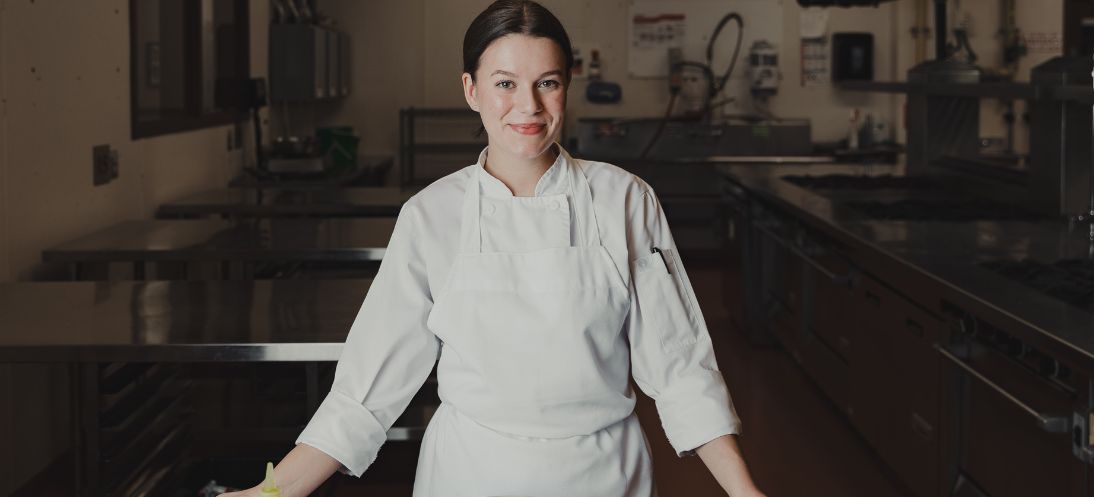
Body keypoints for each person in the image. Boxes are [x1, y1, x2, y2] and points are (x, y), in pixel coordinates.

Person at [222, 1, 763, 495]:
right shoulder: (432, 215)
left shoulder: (624, 200)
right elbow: (368, 388)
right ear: (471, 89)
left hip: (604, 475)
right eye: (505, 83)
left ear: (567, 85)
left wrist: (745, 492)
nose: (527, 106)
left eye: (546, 82)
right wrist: (272, 492)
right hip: (470, 473)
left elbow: (680, 367)